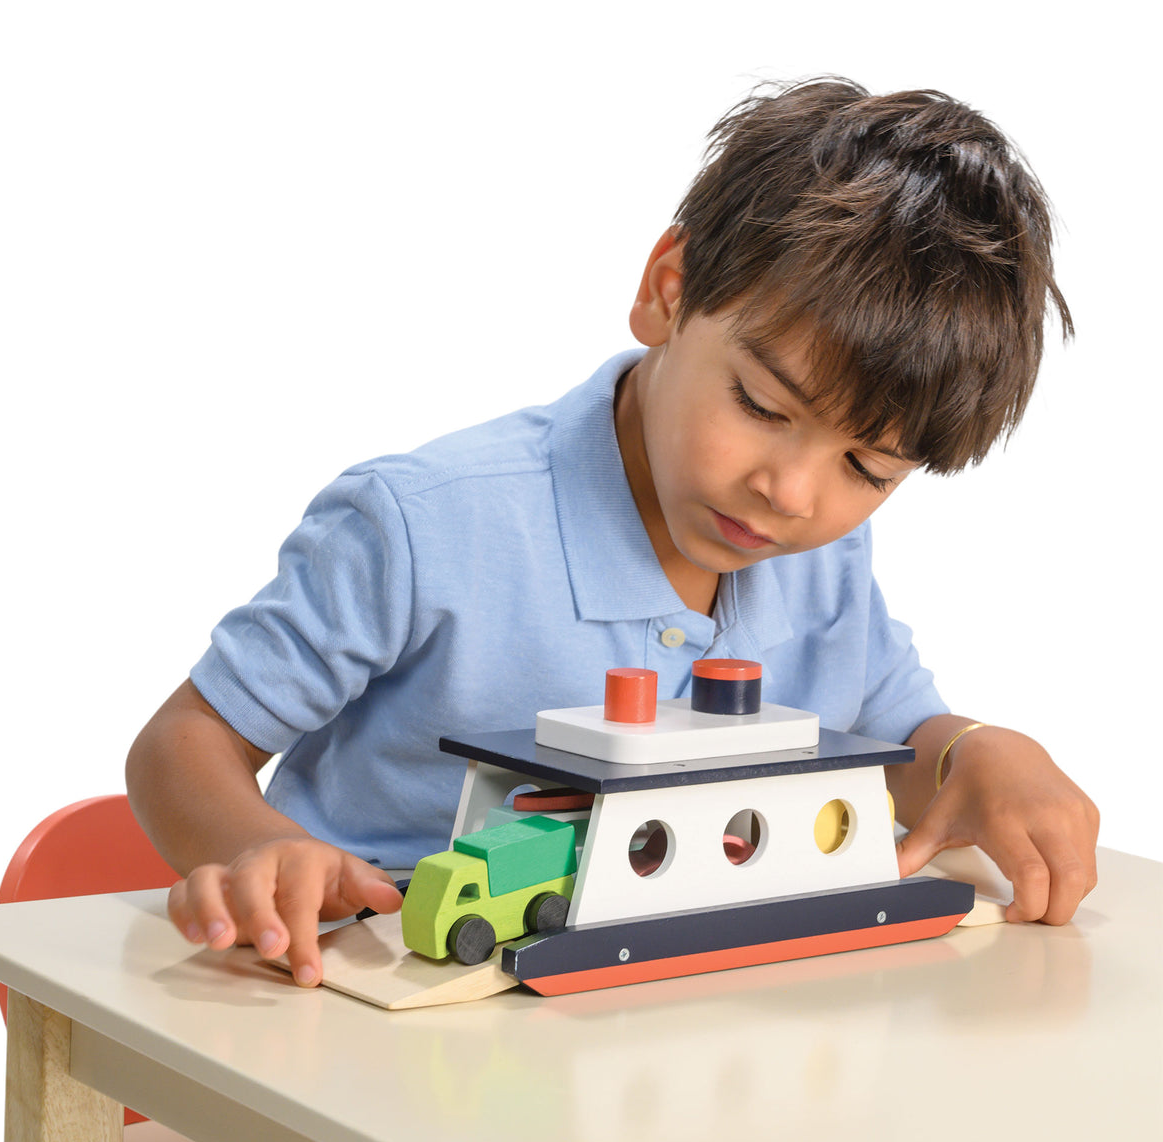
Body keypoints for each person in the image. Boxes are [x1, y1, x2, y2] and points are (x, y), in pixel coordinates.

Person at [127, 77, 1099, 995]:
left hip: (657, 1020)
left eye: (867, 469)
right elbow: (183, 742)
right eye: (762, 405)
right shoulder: (427, 522)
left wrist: (973, 753)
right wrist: (255, 846)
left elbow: (893, 746)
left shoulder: (819, 555)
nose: (791, 491)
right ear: (668, 292)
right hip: (370, 1006)